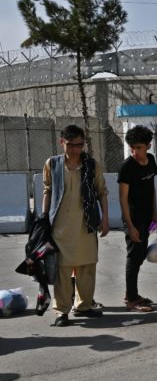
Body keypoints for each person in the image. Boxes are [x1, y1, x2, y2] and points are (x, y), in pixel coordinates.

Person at [42, 125, 109, 326]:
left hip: (85, 225)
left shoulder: (91, 165)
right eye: (71, 145)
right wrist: (44, 218)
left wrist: (105, 218)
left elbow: (102, 192)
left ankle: (83, 306)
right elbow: (47, 191)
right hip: (60, 227)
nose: (75, 150)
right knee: (62, 270)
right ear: (62, 142)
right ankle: (61, 311)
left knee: (87, 267)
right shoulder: (52, 164)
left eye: (79, 145)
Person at [118, 124, 157, 313]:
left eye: (139, 147)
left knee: (140, 256)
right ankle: (132, 298)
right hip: (133, 220)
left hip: (147, 218)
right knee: (134, 258)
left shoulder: (151, 161)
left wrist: (155, 215)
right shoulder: (127, 167)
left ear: (148, 146)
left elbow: (152, 189)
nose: (135, 152)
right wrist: (130, 226)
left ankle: (131, 294)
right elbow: (123, 198)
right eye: (132, 147)